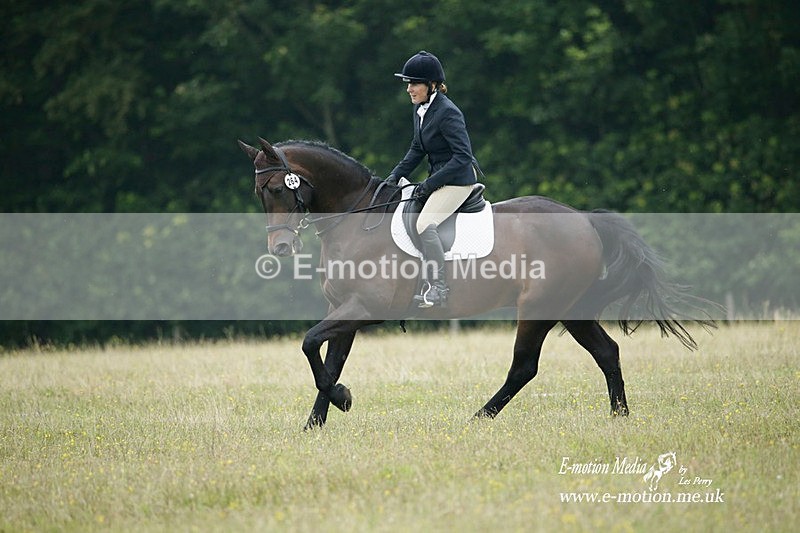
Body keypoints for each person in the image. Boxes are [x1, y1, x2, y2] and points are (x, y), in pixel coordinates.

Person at [385, 50, 480, 308]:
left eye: (414, 83)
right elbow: (417, 148)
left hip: (458, 181)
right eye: (408, 83)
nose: (409, 89)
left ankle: (439, 288)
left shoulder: (448, 112)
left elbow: (463, 157)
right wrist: (395, 175)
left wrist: (429, 185)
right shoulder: (420, 110)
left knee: (424, 224)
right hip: (440, 179)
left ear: (432, 85)